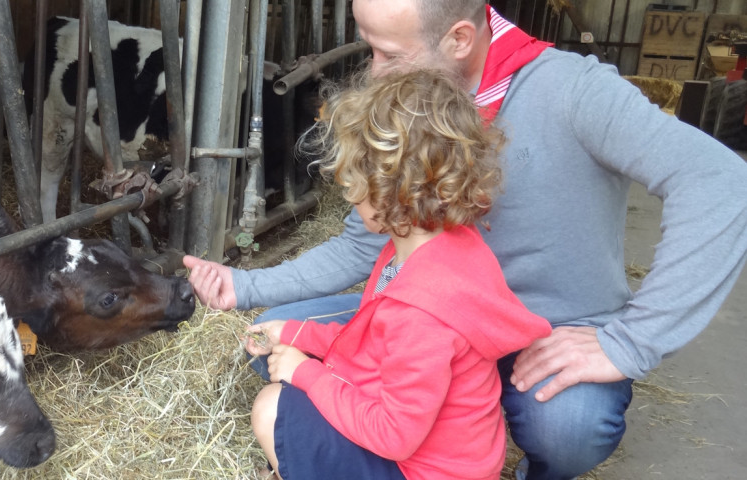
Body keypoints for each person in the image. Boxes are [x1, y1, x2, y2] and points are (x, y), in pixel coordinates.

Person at [185, 1, 747, 479]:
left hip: (543, 331)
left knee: (569, 429)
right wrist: (245, 285)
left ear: (458, 39)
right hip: (431, 315)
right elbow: (363, 247)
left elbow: (721, 181)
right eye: (370, 49)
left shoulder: (576, 90)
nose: (375, 72)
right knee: (272, 336)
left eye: (389, 54)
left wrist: (631, 341)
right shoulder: (408, 112)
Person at [245, 69, 552, 480]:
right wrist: (295, 333)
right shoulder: (434, 250)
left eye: (352, 179)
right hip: (445, 459)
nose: (347, 193)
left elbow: (394, 436)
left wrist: (306, 372)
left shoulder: (422, 311)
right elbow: (372, 345)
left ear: (390, 189)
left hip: (421, 470)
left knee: (272, 407)